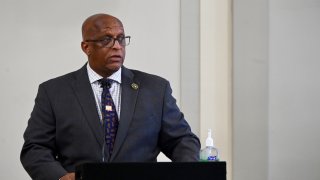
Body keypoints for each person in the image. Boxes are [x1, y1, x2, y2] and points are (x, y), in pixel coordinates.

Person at [20, 13, 200, 180]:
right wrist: (60, 177)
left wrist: (185, 172)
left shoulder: (155, 89)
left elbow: (182, 140)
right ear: (86, 47)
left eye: (121, 39)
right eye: (106, 39)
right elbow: (35, 148)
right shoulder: (54, 91)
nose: (116, 46)